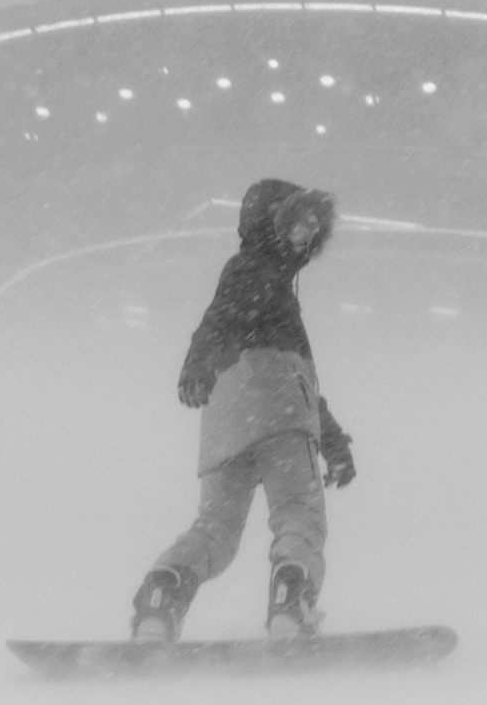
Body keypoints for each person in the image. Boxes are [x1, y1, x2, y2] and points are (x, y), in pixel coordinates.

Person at [130, 177, 356, 641]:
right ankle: (291, 608)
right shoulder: (259, 273)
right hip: (279, 416)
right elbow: (225, 323)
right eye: (300, 219)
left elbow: (225, 323)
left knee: (216, 531)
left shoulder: (252, 275)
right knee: (299, 517)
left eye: (316, 221)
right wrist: (197, 361)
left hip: (227, 419)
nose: (310, 229)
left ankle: (160, 599)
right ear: (271, 224)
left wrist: (203, 369)